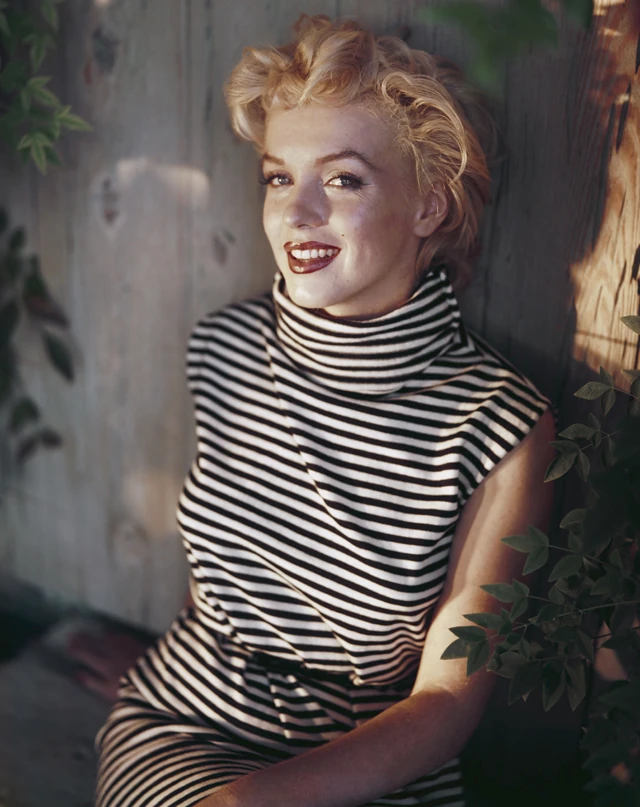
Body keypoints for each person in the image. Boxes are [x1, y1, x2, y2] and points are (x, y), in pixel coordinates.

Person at [94, 14, 557, 807]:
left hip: (372, 756)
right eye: (278, 178)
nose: (296, 213)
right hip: (185, 723)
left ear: (429, 207)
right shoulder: (224, 348)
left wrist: (248, 800)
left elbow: (446, 701)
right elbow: (223, 569)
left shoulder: (500, 425)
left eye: (343, 180)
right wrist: (162, 676)